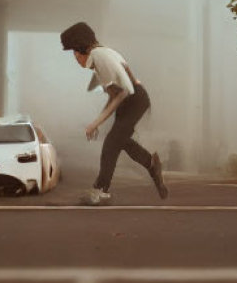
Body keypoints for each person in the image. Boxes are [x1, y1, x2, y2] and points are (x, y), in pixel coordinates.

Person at [60, 21, 168, 205]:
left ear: (80, 47)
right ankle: (151, 163)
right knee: (120, 140)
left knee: (112, 143)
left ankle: (102, 190)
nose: (75, 57)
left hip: (133, 100)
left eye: (75, 52)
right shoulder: (105, 53)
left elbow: (122, 93)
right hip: (134, 97)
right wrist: (98, 121)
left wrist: (96, 123)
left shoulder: (99, 56)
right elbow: (119, 89)